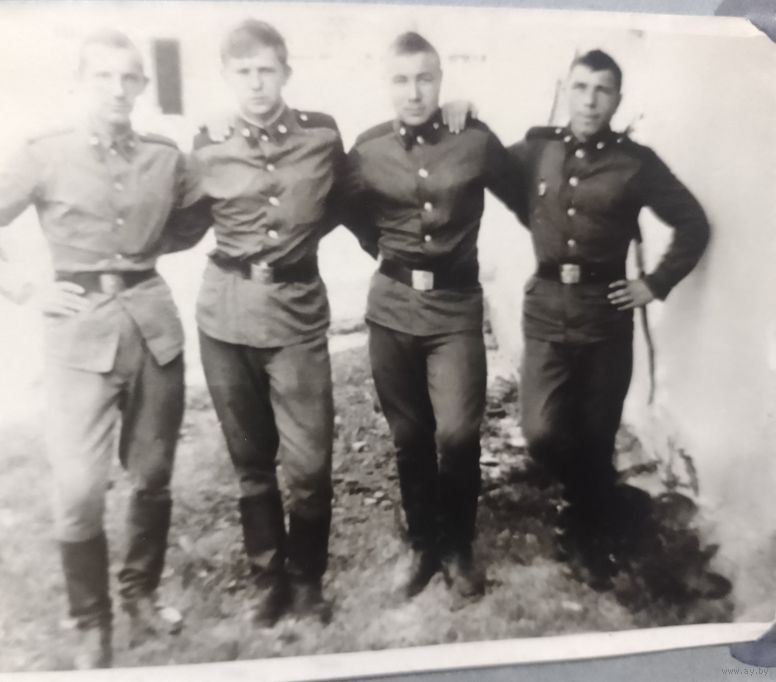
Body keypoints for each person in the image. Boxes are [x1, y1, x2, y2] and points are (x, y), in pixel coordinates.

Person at [0, 30, 209, 668]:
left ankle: (141, 596)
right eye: (103, 77)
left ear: (142, 86)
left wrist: (142, 252)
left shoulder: (164, 157)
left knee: (152, 476)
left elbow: (193, 216)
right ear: (80, 83)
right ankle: (92, 621)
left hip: (152, 330)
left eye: (129, 78)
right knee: (77, 490)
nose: (117, 90)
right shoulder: (45, 153)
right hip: (76, 336)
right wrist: (28, 289)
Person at [510, 49, 710, 589]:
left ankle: (586, 531)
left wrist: (654, 284)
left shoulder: (635, 163)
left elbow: (693, 223)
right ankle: (599, 496)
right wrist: (465, 113)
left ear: (617, 100)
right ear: (566, 91)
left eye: (602, 90)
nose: (590, 100)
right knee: (542, 432)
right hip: (546, 308)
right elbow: (486, 171)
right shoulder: (536, 149)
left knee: (597, 432)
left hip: (606, 314)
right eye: (580, 87)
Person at [341, 32, 527, 602]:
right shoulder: (368, 149)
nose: (414, 91)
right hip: (392, 309)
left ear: (441, 81)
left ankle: (458, 546)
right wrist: (382, 247)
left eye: (425, 78)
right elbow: (342, 205)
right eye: (401, 80)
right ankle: (423, 544)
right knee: (410, 436)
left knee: (459, 433)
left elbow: (527, 194)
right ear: (387, 85)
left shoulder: (473, 139)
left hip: (454, 309)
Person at [189, 19, 346, 627]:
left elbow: (348, 198)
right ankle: (268, 581)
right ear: (227, 77)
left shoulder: (321, 135)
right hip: (225, 318)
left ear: (286, 72)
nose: (256, 83)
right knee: (251, 463)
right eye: (243, 72)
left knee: (309, 465)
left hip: (296, 313)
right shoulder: (208, 144)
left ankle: (307, 580)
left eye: (266, 70)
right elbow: (175, 218)